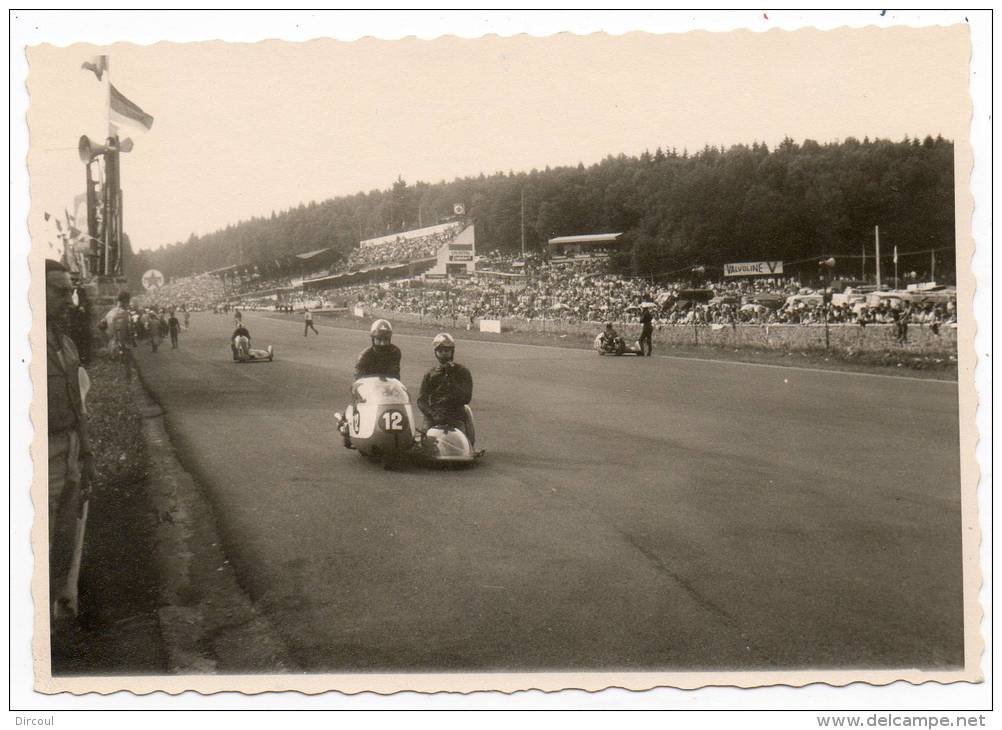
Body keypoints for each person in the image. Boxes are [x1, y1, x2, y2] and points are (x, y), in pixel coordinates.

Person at [46, 260, 95, 623]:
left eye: (70, 290)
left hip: (71, 450)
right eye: (59, 291)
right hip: (38, 454)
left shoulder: (64, 342)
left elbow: (78, 405)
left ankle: (53, 615)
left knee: (63, 539)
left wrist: (88, 452)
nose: (70, 298)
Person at [417, 333, 475, 447]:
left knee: (464, 445)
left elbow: (467, 397)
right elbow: (421, 400)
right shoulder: (430, 374)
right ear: (436, 353)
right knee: (425, 444)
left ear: (452, 352)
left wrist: (451, 378)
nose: (444, 354)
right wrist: (431, 413)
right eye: (440, 351)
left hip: (455, 413)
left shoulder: (463, 372)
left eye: (447, 351)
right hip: (435, 414)